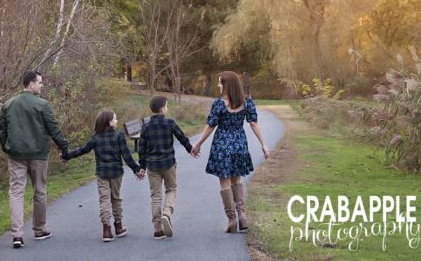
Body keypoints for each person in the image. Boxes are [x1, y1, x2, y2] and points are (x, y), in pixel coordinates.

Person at [191, 70, 270, 233]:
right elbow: (253, 124)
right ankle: (242, 216)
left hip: (222, 145)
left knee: (225, 182)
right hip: (239, 144)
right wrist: (264, 144)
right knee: (237, 180)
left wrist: (198, 143)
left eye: (220, 82)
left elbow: (211, 126)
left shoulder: (219, 104)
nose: (218, 85)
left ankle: (232, 220)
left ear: (227, 84)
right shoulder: (247, 103)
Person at [0, 70, 69, 249]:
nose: (42, 85)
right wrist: (65, 148)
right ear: (31, 84)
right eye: (40, 82)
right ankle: (39, 229)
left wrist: (6, 147)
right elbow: (53, 129)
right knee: (39, 191)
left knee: (16, 192)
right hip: (38, 154)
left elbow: (2, 130)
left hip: (15, 155)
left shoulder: (8, 104)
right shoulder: (42, 105)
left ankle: (17, 235)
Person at [62, 108, 144, 242]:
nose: (117, 120)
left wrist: (66, 156)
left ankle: (106, 230)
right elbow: (127, 156)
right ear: (109, 122)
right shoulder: (118, 136)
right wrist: (137, 170)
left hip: (102, 173)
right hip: (116, 173)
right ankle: (118, 226)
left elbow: (82, 150)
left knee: (104, 200)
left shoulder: (96, 138)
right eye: (115, 118)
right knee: (115, 198)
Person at [137, 95, 198, 240]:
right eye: (167, 105)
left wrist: (142, 166)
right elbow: (181, 137)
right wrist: (191, 150)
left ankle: (157, 230)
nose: (167, 107)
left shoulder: (145, 127)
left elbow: (141, 149)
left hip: (152, 166)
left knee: (155, 196)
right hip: (168, 163)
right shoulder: (169, 122)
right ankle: (167, 213)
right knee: (171, 189)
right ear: (162, 108)